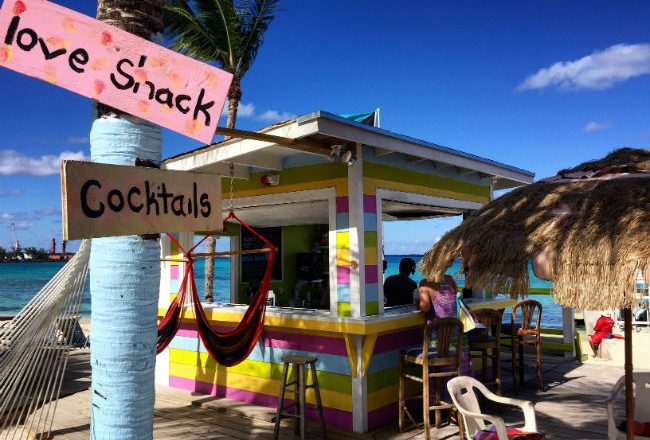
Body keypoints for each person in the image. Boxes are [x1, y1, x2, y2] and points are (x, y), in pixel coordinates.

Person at [418, 275, 473, 376]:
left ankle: (437, 389)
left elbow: (425, 308)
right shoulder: (449, 279)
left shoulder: (424, 283)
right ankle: (461, 388)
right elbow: (458, 299)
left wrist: (417, 301)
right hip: (457, 336)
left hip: (438, 340)